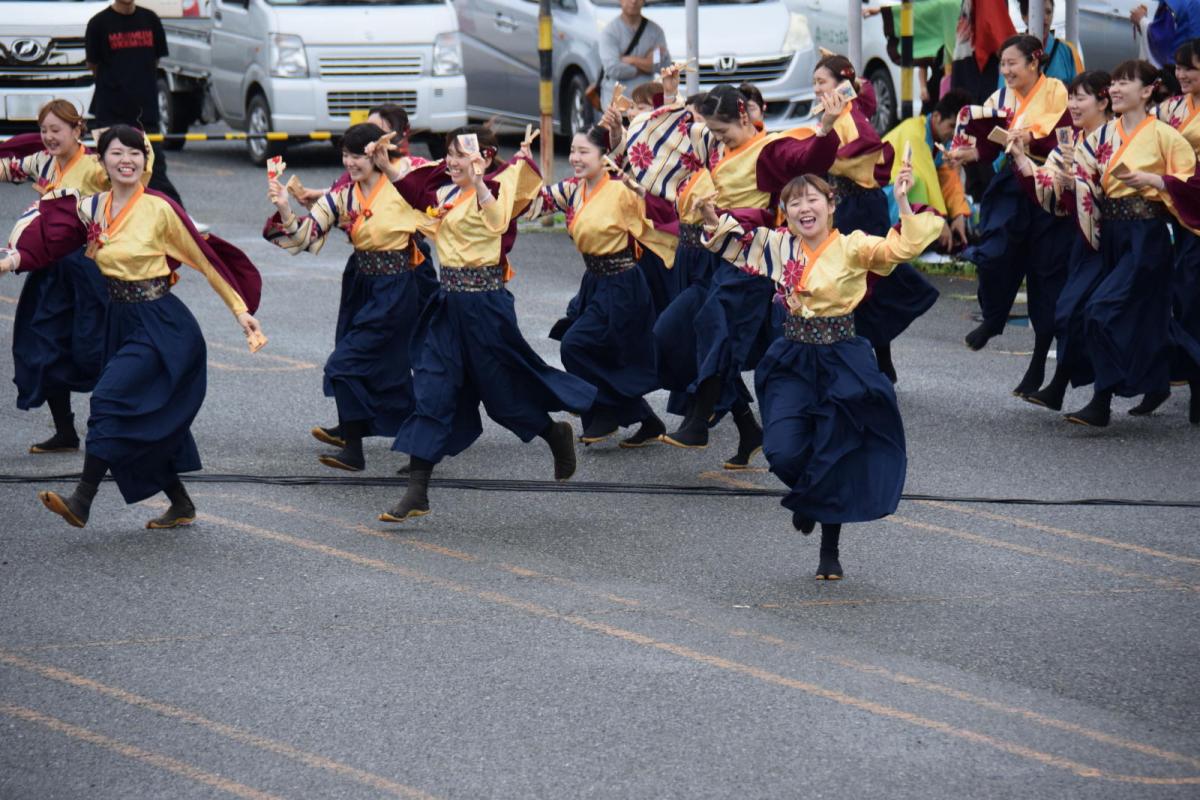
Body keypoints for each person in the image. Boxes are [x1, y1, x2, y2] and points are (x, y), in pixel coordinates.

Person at [0, 125, 264, 529]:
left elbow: (206, 260)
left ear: (145, 161)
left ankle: (82, 500)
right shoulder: (91, 207)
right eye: (117, 153)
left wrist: (240, 310)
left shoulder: (159, 208)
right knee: (140, 416)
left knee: (108, 401)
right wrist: (11, 261)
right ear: (101, 161)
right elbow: (49, 242)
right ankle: (180, 502)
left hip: (161, 325)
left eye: (135, 153)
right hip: (118, 321)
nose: (127, 160)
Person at [699, 169, 942, 579]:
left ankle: (830, 548)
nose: (803, 208)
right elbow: (734, 242)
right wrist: (707, 209)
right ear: (786, 213)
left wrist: (900, 201)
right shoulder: (777, 245)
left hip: (842, 356)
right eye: (794, 202)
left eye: (812, 199)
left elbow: (899, 249)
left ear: (831, 206)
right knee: (782, 452)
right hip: (791, 357)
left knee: (835, 450)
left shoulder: (853, 246)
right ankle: (810, 497)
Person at [614, 74, 843, 468]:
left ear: (742, 116)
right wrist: (632, 127)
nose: (718, 140)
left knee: (715, 326)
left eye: (722, 131)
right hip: (716, 254)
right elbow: (675, 136)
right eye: (713, 133)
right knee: (674, 330)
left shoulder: (768, 151)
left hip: (751, 261)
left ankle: (700, 420)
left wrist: (827, 128)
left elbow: (805, 160)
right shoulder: (715, 144)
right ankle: (747, 427)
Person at [380, 127, 596, 521]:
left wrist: (480, 183)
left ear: (483, 158)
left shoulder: (495, 192)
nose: (452, 162)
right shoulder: (443, 194)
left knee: (502, 396)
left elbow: (496, 222)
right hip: (447, 306)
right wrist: (384, 164)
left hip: (486, 307)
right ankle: (417, 490)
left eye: (461, 156)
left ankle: (554, 433)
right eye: (449, 155)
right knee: (432, 388)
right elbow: (412, 193)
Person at [264, 123, 437, 473]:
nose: (350, 162)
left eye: (357, 155)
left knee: (344, 364)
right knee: (383, 373)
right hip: (360, 285)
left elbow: (437, 208)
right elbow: (306, 237)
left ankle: (375, 444)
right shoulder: (343, 194)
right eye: (345, 155)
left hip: (397, 286)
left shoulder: (403, 183)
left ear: (375, 154)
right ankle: (366, 449)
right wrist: (285, 208)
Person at [773, 53, 940, 384]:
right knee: (858, 280)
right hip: (846, 204)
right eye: (816, 83)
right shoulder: (837, 114)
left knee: (866, 278)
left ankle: (875, 357)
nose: (817, 89)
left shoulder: (850, 116)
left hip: (859, 207)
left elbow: (862, 149)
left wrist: (821, 145)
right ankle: (877, 358)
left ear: (841, 85)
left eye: (822, 82)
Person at [1054, 60, 1200, 427]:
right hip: (1112, 235)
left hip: (1147, 236)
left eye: (1124, 83)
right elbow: (1084, 178)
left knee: (1103, 311)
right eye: (1113, 83)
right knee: (1146, 321)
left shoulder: (1166, 136)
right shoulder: (1101, 137)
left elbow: (1192, 184)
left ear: (1148, 91)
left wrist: (1153, 179)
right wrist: (1067, 181)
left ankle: (1102, 400)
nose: (1115, 89)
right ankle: (1184, 378)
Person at [525, 126, 678, 445]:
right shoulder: (573, 189)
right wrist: (521, 167)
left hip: (624, 284)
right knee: (586, 348)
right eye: (573, 151)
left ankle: (606, 413)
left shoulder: (621, 190)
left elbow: (653, 204)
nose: (576, 158)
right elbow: (534, 203)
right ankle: (641, 419)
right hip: (594, 282)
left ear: (602, 157)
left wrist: (631, 169)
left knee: (580, 346)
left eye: (584, 152)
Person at [949, 34, 1073, 399]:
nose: (1005, 71)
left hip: (1046, 185)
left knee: (1043, 276)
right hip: (1011, 186)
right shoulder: (998, 98)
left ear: (1034, 62)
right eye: (1002, 64)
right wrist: (967, 155)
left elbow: (1064, 140)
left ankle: (1037, 364)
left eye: (1011, 63)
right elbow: (988, 145)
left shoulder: (1057, 93)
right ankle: (994, 317)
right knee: (994, 253)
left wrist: (1030, 142)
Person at [0, 100, 115, 454]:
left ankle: (112, 431)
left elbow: (136, 175)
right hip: (50, 269)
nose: (49, 137)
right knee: (43, 345)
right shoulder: (43, 162)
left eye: (57, 130)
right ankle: (66, 432)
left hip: (89, 270)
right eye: (44, 130)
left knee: (94, 351)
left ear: (76, 130)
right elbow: (10, 168)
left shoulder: (96, 167)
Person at [1010, 70, 1114, 412]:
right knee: (1072, 312)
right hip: (1082, 239)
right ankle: (1066, 388)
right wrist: (1023, 159)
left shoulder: (1119, 137)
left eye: (1081, 97)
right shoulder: (1070, 138)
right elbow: (1047, 184)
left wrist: (1077, 186)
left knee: (1105, 315)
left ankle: (1099, 397)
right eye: (1071, 97)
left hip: (1119, 238)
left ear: (1104, 100)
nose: (1072, 104)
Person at [85, 0, 184, 209]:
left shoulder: (150, 20)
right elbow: (93, 65)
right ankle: (104, 220)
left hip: (146, 111)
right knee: (108, 172)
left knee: (155, 169)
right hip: (109, 110)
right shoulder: (98, 24)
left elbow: (155, 61)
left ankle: (179, 217)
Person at [1159, 40, 1200, 423]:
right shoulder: (1171, 108)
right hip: (1176, 208)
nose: (1182, 75)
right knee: (1181, 297)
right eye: (1178, 68)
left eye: (1190, 69)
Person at [881, 89, 973, 249]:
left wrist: (959, 215)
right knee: (917, 184)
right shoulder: (916, 133)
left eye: (957, 130)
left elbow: (948, 178)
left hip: (897, 192)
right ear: (937, 117)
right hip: (882, 193)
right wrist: (940, 222)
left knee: (966, 208)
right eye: (951, 126)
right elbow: (925, 178)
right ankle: (907, 243)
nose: (953, 134)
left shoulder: (940, 139)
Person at [598, 0, 670, 108]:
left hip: (646, 103)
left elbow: (660, 65)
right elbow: (613, 68)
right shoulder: (610, 32)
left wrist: (632, 60)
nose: (633, 1)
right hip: (617, 103)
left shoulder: (656, 31)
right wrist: (645, 66)